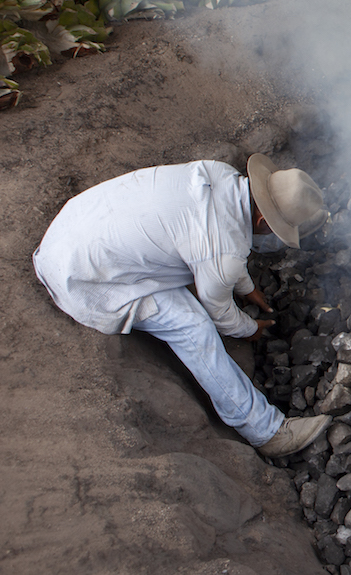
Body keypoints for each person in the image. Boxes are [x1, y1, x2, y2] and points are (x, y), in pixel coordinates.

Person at [33, 154, 333, 456]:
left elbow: (222, 241)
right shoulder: (223, 252)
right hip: (85, 278)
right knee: (194, 326)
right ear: (262, 220)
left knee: (197, 258)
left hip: (73, 228)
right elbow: (219, 312)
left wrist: (248, 287)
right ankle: (266, 432)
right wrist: (250, 328)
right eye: (277, 227)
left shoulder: (219, 174)